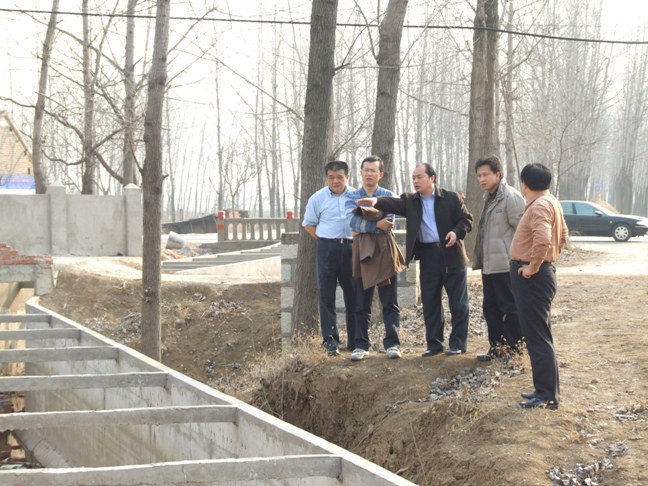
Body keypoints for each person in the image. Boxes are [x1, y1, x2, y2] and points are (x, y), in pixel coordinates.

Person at [358, 163, 473, 357]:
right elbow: (392, 203)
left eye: (419, 177)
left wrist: (456, 232)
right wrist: (375, 201)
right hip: (428, 255)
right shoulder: (410, 201)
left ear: (432, 178)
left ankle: (458, 343)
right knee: (430, 301)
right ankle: (434, 344)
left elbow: (467, 220)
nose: (415, 181)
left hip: (452, 253)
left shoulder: (451, 198)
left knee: (458, 303)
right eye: (413, 178)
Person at [509, 163, 568, 410]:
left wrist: (534, 267)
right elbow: (563, 236)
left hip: (532, 278)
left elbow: (544, 239)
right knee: (540, 334)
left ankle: (546, 395)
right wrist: (549, 260)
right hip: (541, 274)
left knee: (537, 337)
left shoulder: (540, 205)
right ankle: (544, 389)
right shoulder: (551, 201)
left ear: (524, 183)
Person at [345, 155, 404, 361]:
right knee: (361, 302)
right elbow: (351, 223)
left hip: (385, 249)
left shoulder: (388, 195)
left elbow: (388, 223)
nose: (369, 174)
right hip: (362, 251)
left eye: (373, 170)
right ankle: (361, 344)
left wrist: (365, 222)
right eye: (366, 170)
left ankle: (392, 343)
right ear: (360, 173)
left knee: (390, 301)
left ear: (381, 174)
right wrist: (375, 222)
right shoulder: (351, 196)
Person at [472, 155, 525, 361]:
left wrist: (519, 260)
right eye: (479, 175)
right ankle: (496, 349)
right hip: (489, 265)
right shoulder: (489, 197)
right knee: (490, 308)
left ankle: (514, 350)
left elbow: (522, 231)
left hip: (506, 265)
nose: (481, 179)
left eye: (485, 175)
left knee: (509, 308)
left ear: (498, 174)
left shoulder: (511, 197)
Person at [302, 160, 357, 357]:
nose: (335, 181)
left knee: (354, 295)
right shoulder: (317, 198)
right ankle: (330, 341)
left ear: (347, 177)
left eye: (340, 177)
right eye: (331, 177)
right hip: (327, 249)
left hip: (352, 248)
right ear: (326, 178)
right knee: (326, 295)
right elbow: (309, 224)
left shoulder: (356, 196)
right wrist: (325, 239)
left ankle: (356, 340)